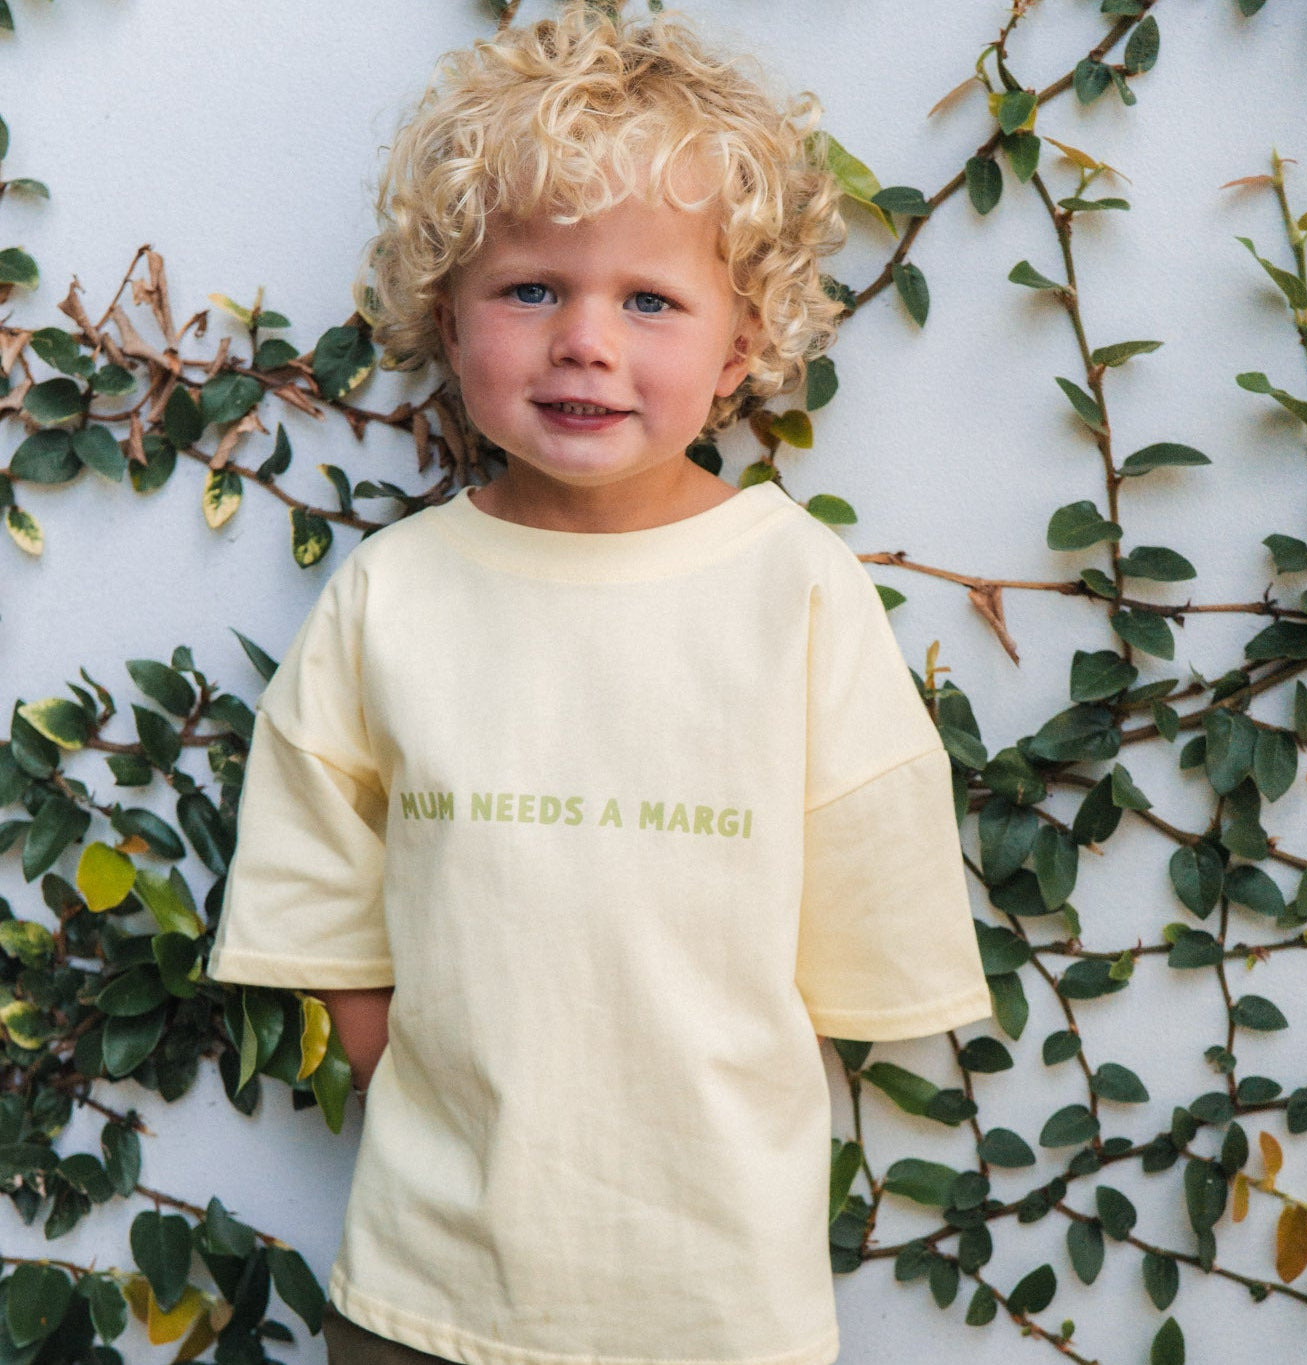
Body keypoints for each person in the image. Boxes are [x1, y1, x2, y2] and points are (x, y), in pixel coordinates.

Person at [206, 5, 992, 1365]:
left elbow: (871, 896)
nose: (584, 339)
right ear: (447, 320)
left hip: (713, 1298)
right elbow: (319, 889)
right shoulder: (392, 594)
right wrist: (429, 1092)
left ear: (740, 346)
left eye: (648, 299)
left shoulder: (793, 589)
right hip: (431, 1285)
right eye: (531, 289)